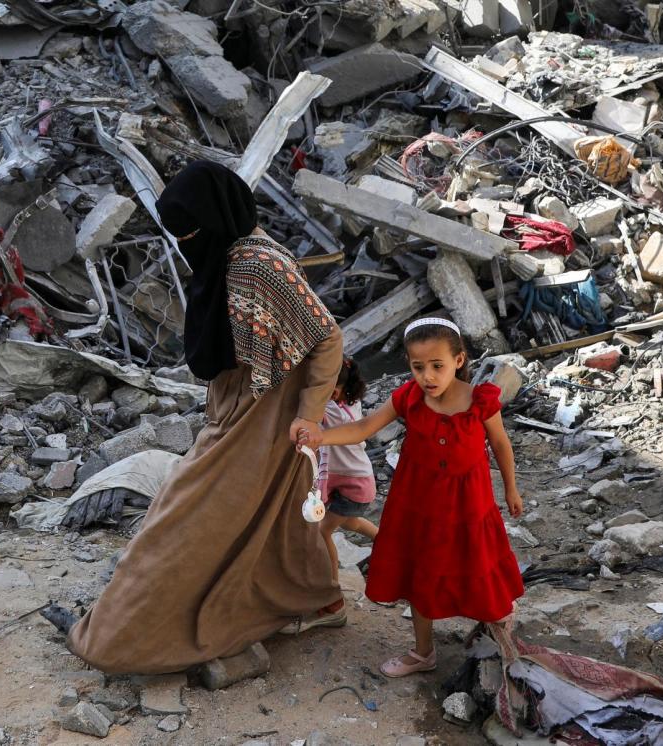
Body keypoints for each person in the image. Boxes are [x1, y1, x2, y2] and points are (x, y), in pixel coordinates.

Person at [54, 160, 345, 674]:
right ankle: (321, 601)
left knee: (180, 516)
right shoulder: (227, 255)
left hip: (266, 415)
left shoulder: (259, 264)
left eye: (191, 229)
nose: (186, 240)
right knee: (276, 514)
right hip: (237, 408)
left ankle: (112, 640)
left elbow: (326, 337)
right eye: (178, 233)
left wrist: (309, 415)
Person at [300, 317, 524, 677]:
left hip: (469, 504)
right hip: (417, 504)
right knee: (421, 572)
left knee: (477, 561)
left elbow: (500, 444)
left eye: (438, 366)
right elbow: (363, 427)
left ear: (459, 361)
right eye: (419, 367)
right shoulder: (408, 398)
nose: (428, 376)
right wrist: (319, 437)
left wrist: (511, 488)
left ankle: (495, 622)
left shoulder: (479, 401)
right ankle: (423, 653)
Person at [282, 359, 378, 638]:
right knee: (351, 524)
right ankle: (389, 546)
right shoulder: (350, 404)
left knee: (323, 532)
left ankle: (332, 590)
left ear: (338, 390)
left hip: (353, 485)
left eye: (330, 391)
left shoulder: (332, 411)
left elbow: (310, 412)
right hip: (360, 481)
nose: (327, 395)